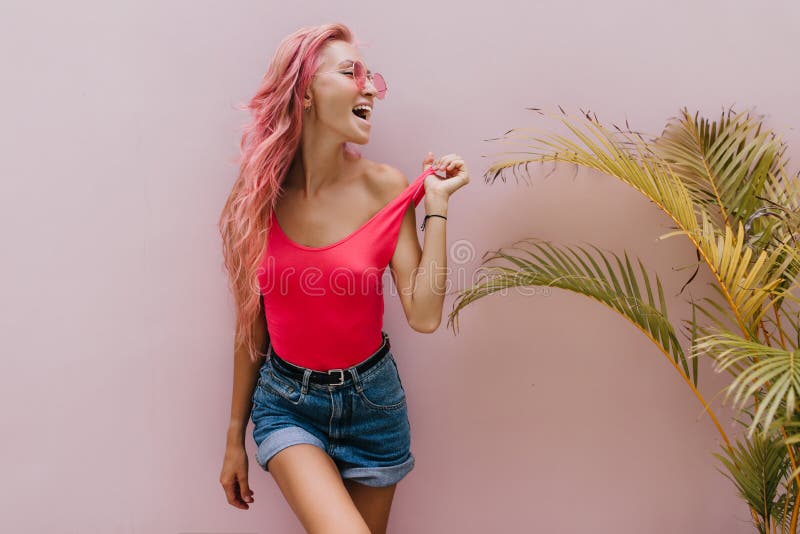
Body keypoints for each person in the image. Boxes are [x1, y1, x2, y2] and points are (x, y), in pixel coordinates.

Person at [217, 22, 469, 533]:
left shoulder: (386, 187)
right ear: (305, 92)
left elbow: (423, 315)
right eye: (349, 72)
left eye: (371, 75)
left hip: (374, 404)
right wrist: (233, 440)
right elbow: (252, 328)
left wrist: (437, 209)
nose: (370, 86)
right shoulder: (257, 198)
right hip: (288, 404)